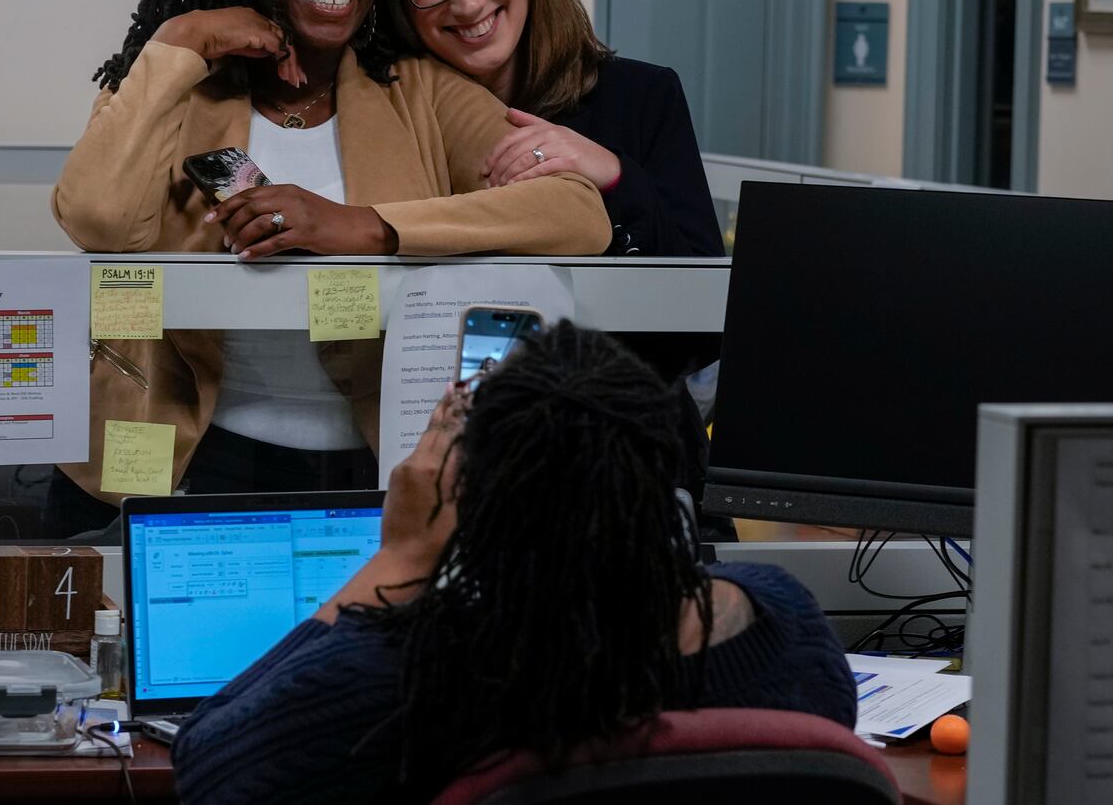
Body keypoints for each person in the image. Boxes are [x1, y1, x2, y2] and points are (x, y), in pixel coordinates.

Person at [50, 0, 611, 536]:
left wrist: (372, 228)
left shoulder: (420, 91)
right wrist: (180, 40)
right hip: (175, 467)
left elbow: (577, 213)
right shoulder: (180, 84)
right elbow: (96, 214)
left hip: (366, 470)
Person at [172, 321, 855, 804]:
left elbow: (209, 769)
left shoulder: (422, 677)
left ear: (480, 514)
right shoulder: (783, 623)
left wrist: (403, 553)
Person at [386, 0, 723, 258]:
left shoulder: (644, 96)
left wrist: (613, 174)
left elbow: (700, 287)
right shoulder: (386, 115)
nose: (468, 3)